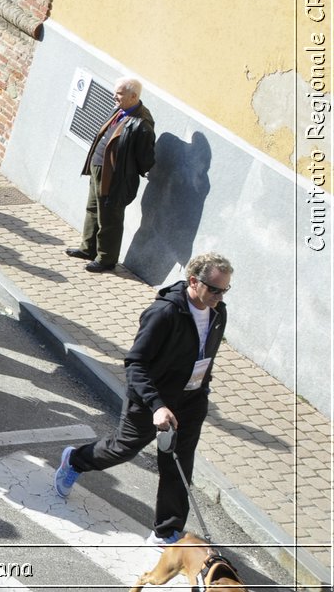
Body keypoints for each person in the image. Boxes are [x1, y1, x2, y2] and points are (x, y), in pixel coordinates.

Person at [55, 253, 233, 546]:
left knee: (178, 464)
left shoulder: (218, 313)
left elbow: (206, 356)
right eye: (215, 289)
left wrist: (202, 389)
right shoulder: (164, 314)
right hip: (152, 400)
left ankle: (166, 532)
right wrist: (157, 405)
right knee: (122, 449)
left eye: (225, 289)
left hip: (191, 402)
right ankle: (74, 460)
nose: (220, 295)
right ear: (193, 281)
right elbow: (135, 363)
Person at [71, 76, 157, 272]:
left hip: (114, 177)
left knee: (109, 217)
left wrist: (126, 171)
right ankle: (88, 249)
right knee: (93, 210)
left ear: (133, 96)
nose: (114, 96)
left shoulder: (142, 123)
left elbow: (146, 158)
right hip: (98, 168)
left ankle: (106, 259)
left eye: (119, 93)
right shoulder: (120, 110)